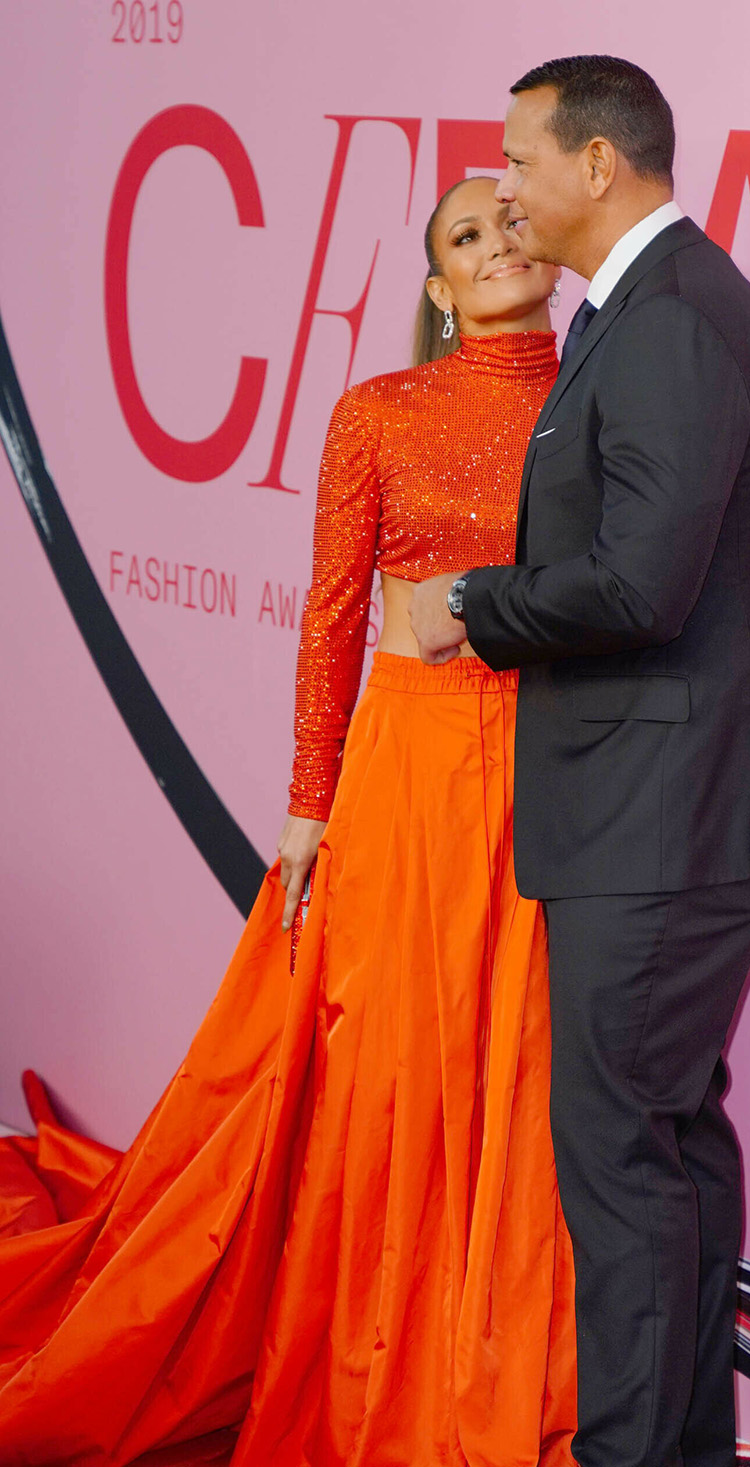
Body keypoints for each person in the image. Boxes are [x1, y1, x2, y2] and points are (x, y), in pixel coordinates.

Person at [0, 177, 576, 1467]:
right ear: (438, 289)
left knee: (522, 1066)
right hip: (409, 769)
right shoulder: (377, 411)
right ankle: (376, 1343)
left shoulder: (595, 401)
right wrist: (309, 805)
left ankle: (502, 1357)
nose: (492, 247)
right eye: (463, 240)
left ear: (556, 242)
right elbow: (330, 617)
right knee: (394, 1062)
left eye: (506, 223)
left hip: (556, 766)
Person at [410, 56, 750, 1467]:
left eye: (522, 164)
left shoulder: (666, 322)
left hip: (667, 818)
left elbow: (639, 585)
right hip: (684, 808)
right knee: (671, 1146)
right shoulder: (656, 307)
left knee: (620, 1169)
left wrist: (473, 605)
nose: (509, 193)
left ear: (598, 166)